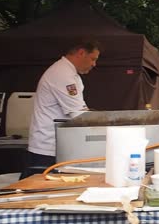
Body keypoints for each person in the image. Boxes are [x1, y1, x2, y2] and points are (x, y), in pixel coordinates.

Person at [22, 39, 101, 178]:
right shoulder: (63, 74)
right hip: (48, 147)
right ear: (81, 53)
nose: (94, 64)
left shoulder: (69, 73)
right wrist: (106, 126)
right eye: (93, 59)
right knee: (37, 191)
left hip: (55, 144)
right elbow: (79, 114)